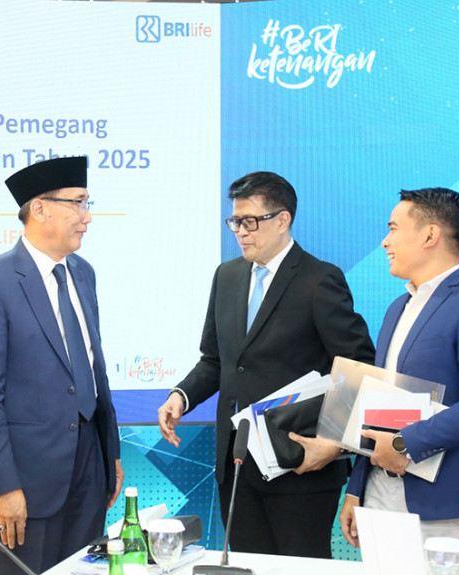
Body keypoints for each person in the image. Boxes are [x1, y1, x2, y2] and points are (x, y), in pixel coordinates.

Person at [157, 171, 375, 558]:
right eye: (235, 222)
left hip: (300, 464)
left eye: (250, 222)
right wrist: (181, 396)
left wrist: (333, 443)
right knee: (246, 564)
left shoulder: (319, 279)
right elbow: (217, 360)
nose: (240, 232)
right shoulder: (227, 276)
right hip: (238, 463)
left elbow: (358, 367)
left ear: (282, 219)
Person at [0, 156, 123, 574]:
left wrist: (111, 453)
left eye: (88, 203)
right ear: (39, 209)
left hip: (89, 471)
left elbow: (93, 369)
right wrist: (3, 487)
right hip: (26, 484)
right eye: (78, 203)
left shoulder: (83, 274)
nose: (87, 217)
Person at [339, 188, 459, 570]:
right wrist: (356, 489)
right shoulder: (396, 308)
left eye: (393, 229)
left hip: (444, 508)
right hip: (380, 499)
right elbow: (379, 408)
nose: (385, 242)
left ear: (430, 234)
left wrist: (404, 444)